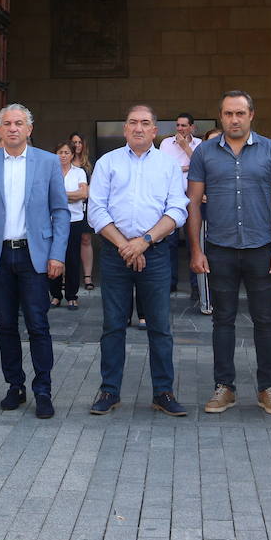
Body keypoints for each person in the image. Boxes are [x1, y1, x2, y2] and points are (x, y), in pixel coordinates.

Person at [187, 90, 271, 416]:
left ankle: (267, 388)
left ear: (251, 115)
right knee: (222, 321)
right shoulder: (204, 153)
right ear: (221, 116)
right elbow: (192, 204)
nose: (234, 119)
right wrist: (196, 250)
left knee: (265, 321)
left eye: (240, 113)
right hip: (219, 248)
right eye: (228, 114)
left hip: (261, 248)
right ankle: (225, 387)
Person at [0, 105, 69, 419]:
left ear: (29, 129)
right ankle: (15, 385)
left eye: (19, 123)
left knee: (38, 324)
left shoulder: (48, 162)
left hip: (34, 255)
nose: (12, 128)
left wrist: (57, 253)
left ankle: (43, 389)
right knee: (6, 324)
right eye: (7, 123)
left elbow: (60, 212)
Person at [86, 104, 189, 417]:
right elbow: (97, 210)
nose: (139, 128)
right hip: (116, 255)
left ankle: (163, 392)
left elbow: (177, 210)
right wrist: (126, 247)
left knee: (159, 327)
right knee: (113, 326)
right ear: (125, 129)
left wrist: (143, 243)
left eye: (145, 123)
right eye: (133, 123)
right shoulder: (108, 163)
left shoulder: (168, 166)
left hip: (155, 254)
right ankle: (109, 391)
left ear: (155, 130)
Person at [159, 112, 203, 303]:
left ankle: (195, 286)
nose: (180, 129)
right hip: (171, 198)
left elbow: (202, 166)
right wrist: (184, 167)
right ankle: (170, 282)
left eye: (184, 126)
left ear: (192, 127)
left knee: (194, 242)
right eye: (178, 125)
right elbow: (161, 168)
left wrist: (186, 149)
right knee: (170, 243)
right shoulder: (166, 144)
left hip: (193, 198)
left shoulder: (200, 144)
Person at [50, 141, 88, 309]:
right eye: (60, 152)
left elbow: (84, 193)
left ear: (72, 155)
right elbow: (46, 194)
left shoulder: (79, 172)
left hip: (75, 220)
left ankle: (72, 295)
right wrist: (72, 196)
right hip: (54, 221)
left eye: (66, 152)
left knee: (72, 258)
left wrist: (59, 196)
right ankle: (55, 295)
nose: (63, 155)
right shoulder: (50, 172)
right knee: (54, 257)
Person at [69, 131, 95, 291]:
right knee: (66, 242)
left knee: (86, 239)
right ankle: (65, 277)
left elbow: (90, 189)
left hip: (86, 207)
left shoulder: (89, 165)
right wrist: (75, 195)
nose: (77, 145)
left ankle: (87, 277)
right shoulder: (63, 162)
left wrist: (81, 195)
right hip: (68, 208)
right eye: (74, 142)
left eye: (79, 142)